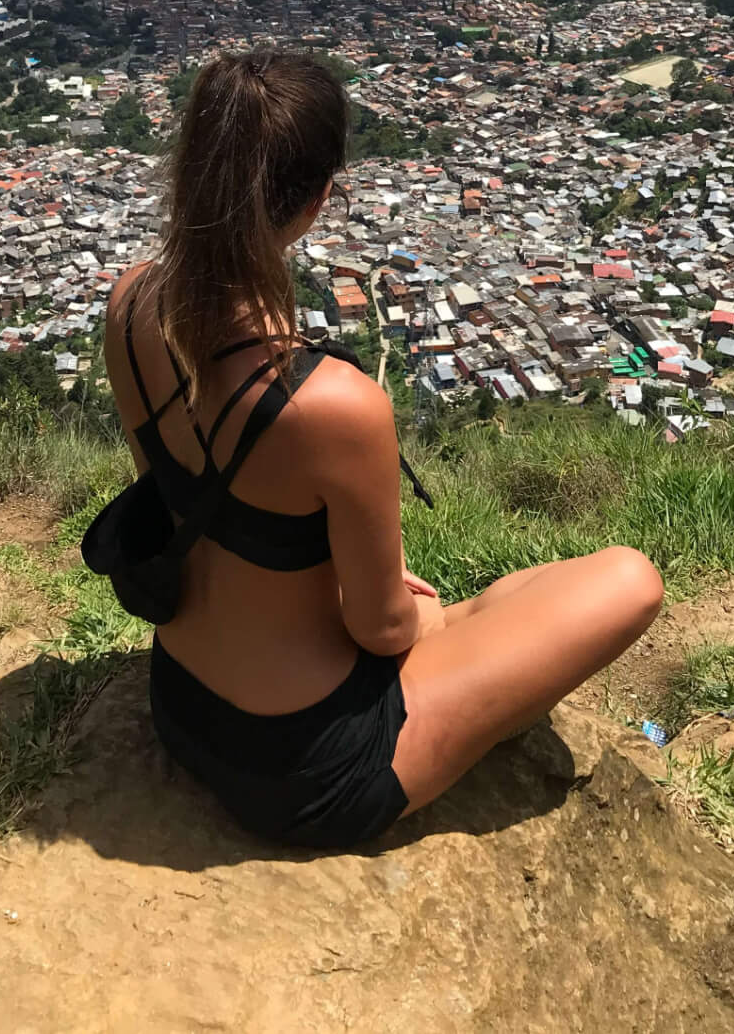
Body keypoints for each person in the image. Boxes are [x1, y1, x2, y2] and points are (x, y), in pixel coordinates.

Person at [103, 46, 663, 851]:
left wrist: (319, 575)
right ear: (320, 198)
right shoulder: (331, 402)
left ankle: (466, 625)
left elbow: (174, 495)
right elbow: (382, 633)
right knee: (626, 580)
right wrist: (398, 610)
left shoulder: (130, 303)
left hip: (181, 702)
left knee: (494, 605)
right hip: (304, 766)